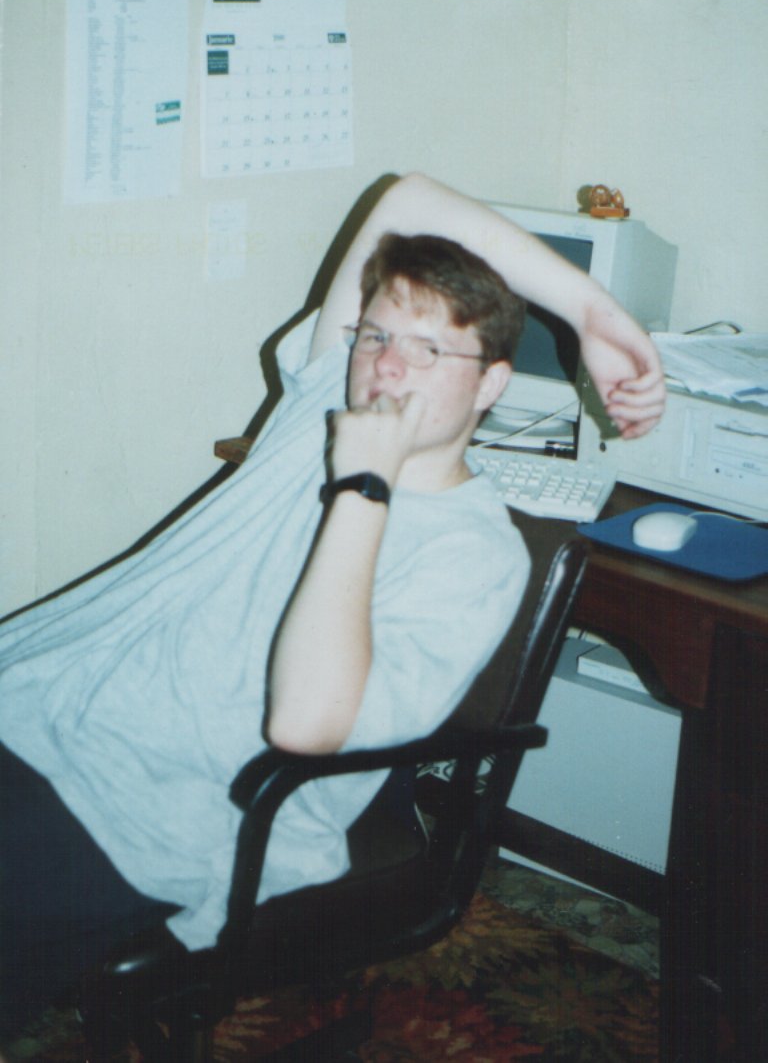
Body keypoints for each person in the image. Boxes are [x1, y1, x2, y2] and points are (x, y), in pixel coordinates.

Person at [0, 173, 665, 1047]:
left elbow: (305, 727)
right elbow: (408, 198)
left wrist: (365, 486)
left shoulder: (473, 554)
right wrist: (595, 317)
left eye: (430, 350)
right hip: (46, 702)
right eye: (375, 335)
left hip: (157, 801)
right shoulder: (319, 405)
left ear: (491, 385)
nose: (387, 364)